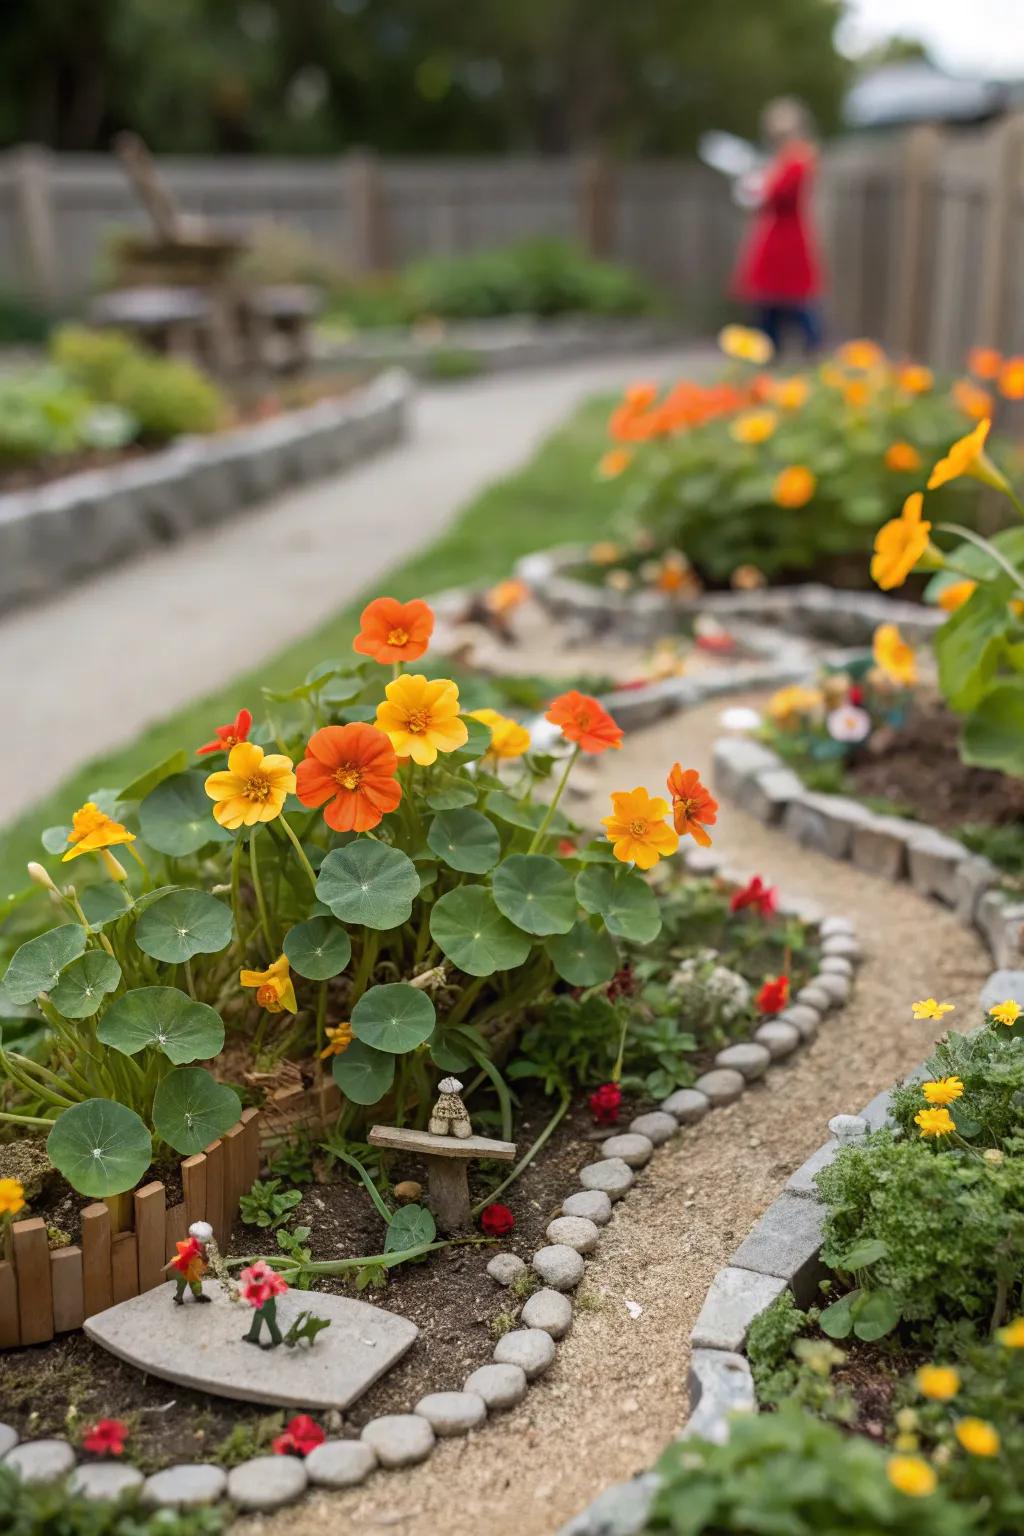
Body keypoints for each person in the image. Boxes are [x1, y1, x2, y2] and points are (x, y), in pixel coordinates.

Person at [731, 98, 823, 355]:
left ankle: (809, 350)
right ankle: (769, 353)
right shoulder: (782, 161)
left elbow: (775, 194)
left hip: (787, 240)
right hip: (775, 238)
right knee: (769, 303)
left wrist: (756, 187)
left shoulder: (798, 161)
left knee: (794, 301)